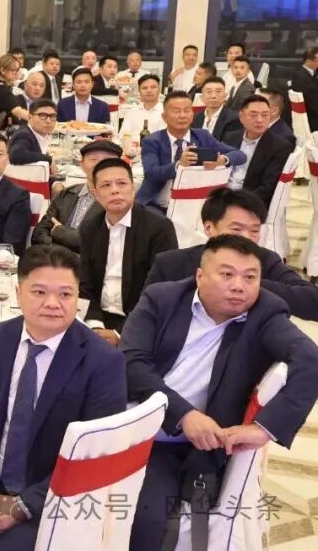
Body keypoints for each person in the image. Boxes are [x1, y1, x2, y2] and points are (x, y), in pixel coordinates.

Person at [0, 245, 127, 551]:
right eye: (39, 292)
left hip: (52, 495)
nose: (53, 303)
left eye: (65, 294)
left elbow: (94, 456)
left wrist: (21, 507)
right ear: (18, 294)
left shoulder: (103, 362)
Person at [122, 235, 318, 550]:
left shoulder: (265, 313)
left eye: (250, 277)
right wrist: (184, 415)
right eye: (227, 274)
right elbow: (131, 363)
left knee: (146, 517)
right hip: (130, 422)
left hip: (178, 449)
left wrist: (264, 429)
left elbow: (310, 359)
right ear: (200, 275)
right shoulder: (162, 298)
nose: (239, 286)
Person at [144, 188, 318, 319]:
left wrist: (249, 283)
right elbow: (145, 316)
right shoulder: (170, 264)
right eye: (236, 229)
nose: (247, 238)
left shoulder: (265, 260)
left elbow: (312, 301)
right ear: (209, 228)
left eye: (254, 231)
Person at [79, 158, 178, 343]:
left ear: (133, 188)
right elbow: (85, 284)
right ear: (95, 193)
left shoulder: (159, 228)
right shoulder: (90, 228)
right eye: (106, 185)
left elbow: (161, 289)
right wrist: (95, 326)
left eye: (121, 183)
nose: (115, 190)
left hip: (141, 320)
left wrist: (119, 333)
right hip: (98, 318)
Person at [136, 92, 247, 210]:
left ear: (192, 115)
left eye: (187, 110)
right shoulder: (152, 141)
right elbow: (151, 173)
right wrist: (179, 165)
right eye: (176, 111)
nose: (182, 115)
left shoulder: (202, 136)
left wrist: (222, 160)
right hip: (158, 205)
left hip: (193, 204)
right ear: (164, 116)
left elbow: (240, 155)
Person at [31, 139, 121, 253]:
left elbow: (103, 245)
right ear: (82, 164)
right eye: (94, 159)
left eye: (108, 160)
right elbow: (39, 233)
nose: (100, 165)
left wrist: (60, 232)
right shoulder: (66, 194)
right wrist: (57, 254)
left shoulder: (120, 203)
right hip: (52, 259)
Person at [223, 95, 293, 207]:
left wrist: (239, 203)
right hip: (223, 195)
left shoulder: (280, 147)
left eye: (265, 115)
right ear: (241, 117)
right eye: (253, 115)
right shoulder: (230, 138)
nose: (259, 120)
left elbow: (267, 188)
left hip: (249, 202)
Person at [0, 54, 29, 130]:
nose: (16, 73)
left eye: (17, 70)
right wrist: (37, 119)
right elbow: (18, 112)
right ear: (3, 70)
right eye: (13, 70)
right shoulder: (0, 89)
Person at [8, 99, 56, 168]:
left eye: (52, 116)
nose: (48, 121)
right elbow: (16, 155)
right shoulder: (24, 135)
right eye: (42, 115)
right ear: (30, 117)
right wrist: (49, 159)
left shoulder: (40, 133)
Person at [190, 76, 240, 142]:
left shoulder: (234, 118)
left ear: (225, 96)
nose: (213, 96)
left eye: (218, 91)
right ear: (201, 97)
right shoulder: (195, 118)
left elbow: (229, 145)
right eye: (209, 91)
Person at [289, 46, 318, 132]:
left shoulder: (310, 74)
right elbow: (313, 103)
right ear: (308, 61)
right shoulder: (301, 78)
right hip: (311, 119)